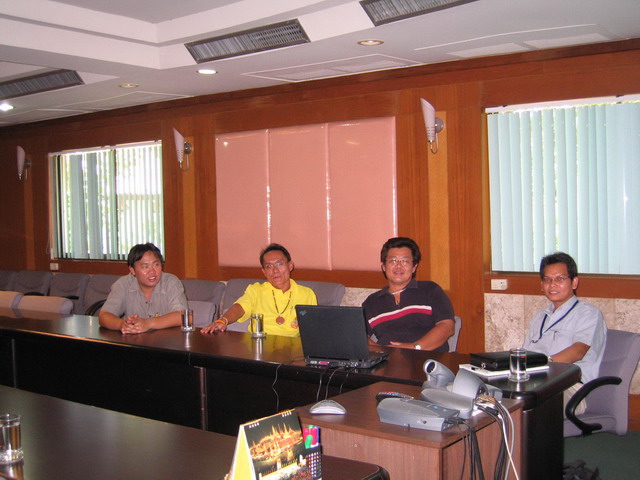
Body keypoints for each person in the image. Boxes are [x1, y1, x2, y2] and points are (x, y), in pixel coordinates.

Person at [523, 252, 607, 414]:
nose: (552, 284)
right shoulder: (539, 317)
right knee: (493, 400)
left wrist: (541, 366)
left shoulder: (588, 313)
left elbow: (578, 351)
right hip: (534, 382)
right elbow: (526, 354)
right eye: (547, 279)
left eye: (560, 279)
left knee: (531, 407)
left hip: (570, 387)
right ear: (542, 285)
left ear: (574, 282)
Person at [201, 243, 317, 337]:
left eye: (279, 264)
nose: (275, 270)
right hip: (258, 346)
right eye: (269, 266)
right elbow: (240, 307)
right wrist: (222, 321)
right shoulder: (256, 290)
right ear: (264, 272)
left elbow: (311, 329)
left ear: (290, 266)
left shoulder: (307, 294)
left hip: (291, 350)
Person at [362, 237, 455, 351]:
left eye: (405, 261)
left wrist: (414, 347)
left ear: (414, 267)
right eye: (393, 261)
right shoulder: (372, 302)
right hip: (388, 360)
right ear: (383, 266)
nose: (399, 266)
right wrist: (380, 351)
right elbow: (357, 335)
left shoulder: (430, 290)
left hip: (428, 358)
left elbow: (447, 326)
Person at [99, 243, 188, 334]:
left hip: (166, 340)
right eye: (145, 267)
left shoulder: (171, 282)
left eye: (156, 265)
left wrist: (148, 323)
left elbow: (183, 316)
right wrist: (122, 325)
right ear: (132, 270)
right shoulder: (123, 284)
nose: (152, 271)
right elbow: (104, 316)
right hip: (134, 340)